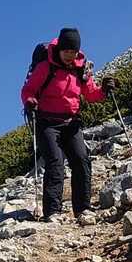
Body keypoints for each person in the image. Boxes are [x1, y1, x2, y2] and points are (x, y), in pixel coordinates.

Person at [20, 27, 112, 224]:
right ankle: (52, 212)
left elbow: (90, 94)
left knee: (81, 160)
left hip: (71, 121)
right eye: (67, 51)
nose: (70, 55)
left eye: (73, 52)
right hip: (46, 123)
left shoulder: (81, 68)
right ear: (59, 49)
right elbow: (28, 90)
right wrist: (30, 101)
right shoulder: (45, 67)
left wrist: (104, 90)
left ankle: (83, 209)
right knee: (55, 163)